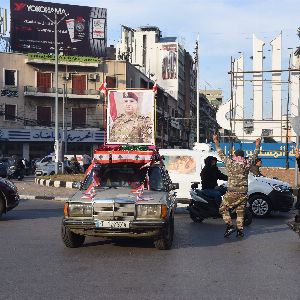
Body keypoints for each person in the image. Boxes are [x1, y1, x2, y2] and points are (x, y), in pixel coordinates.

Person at [213, 134, 261, 238]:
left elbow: (221, 154)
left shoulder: (230, 163)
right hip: (243, 193)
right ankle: (240, 231)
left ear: (235, 156)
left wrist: (216, 142)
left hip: (232, 192)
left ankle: (230, 226)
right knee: (240, 212)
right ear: (243, 156)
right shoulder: (247, 164)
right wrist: (257, 145)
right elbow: (255, 155)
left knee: (222, 208)